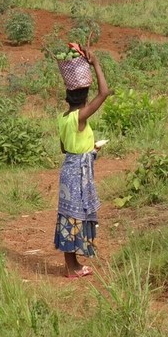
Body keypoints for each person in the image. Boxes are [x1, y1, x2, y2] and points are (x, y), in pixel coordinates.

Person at [54, 47, 112, 278]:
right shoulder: (80, 117)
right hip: (78, 171)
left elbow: (64, 147)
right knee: (74, 216)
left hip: (70, 167)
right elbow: (105, 93)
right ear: (85, 98)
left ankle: (73, 264)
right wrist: (96, 63)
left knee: (69, 215)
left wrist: (88, 148)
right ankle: (72, 268)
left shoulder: (63, 118)